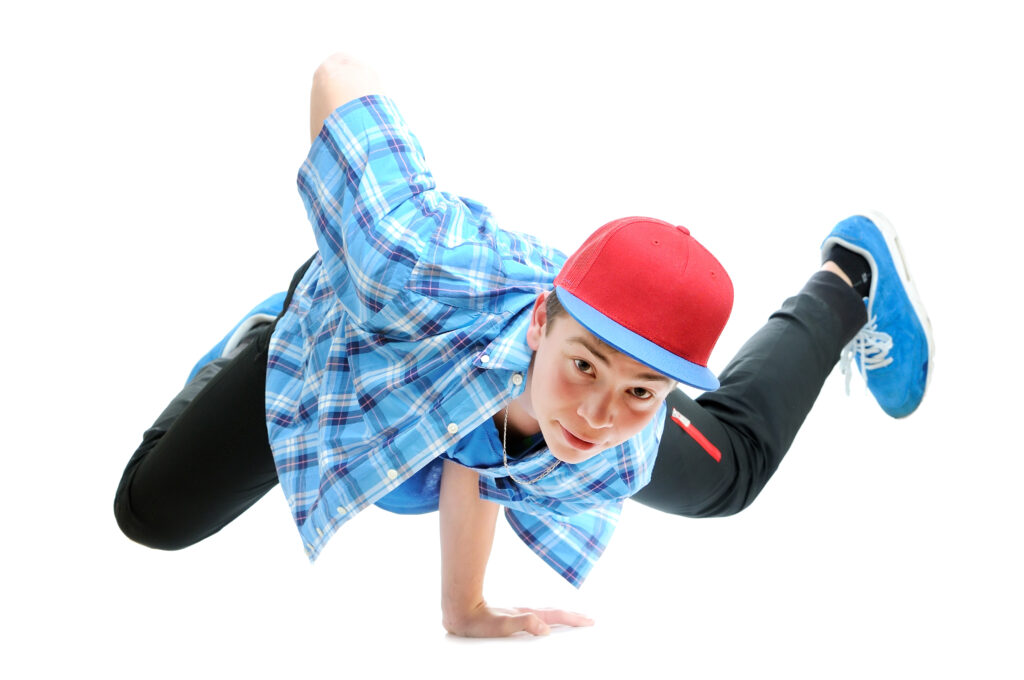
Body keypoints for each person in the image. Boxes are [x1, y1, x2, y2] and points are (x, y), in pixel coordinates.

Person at [113, 53, 934, 638]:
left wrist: (461, 610)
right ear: (542, 325)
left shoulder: (614, 422)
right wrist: (355, 236)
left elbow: (490, 447)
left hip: (520, 350)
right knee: (150, 515)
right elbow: (339, 75)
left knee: (727, 476)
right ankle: (269, 331)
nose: (600, 415)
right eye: (586, 369)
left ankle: (848, 281)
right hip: (350, 340)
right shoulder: (400, 260)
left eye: (641, 391)